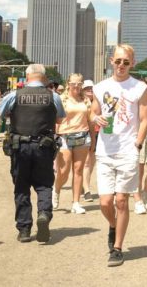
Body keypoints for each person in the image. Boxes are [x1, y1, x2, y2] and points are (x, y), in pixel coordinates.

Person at [91, 44, 147, 267]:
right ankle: (113, 225)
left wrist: (137, 143)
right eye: (118, 61)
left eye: (126, 62)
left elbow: (144, 118)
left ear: (132, 63)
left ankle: (117, 247)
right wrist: (95, 119)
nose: (121, 65)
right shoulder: (100, 87)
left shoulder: (140, 87)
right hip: (105, 150)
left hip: (127, 150)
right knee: (105, 202)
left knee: (122, 200)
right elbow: (93, 112)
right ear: (111, 61)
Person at [0, 63, 66, 243]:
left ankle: (24, 229)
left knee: (21, 186)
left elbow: (2, 113)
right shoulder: (54, 96)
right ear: (43, 78)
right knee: (44, 184)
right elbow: (59, 118)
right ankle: (43, 214)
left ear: (26, 77)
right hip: (44, 146)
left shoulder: (14, 95)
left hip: (19, 146)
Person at [54, 73, 92, 214]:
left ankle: (76, 202)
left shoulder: (86, 100)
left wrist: (93, 141)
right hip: (65, 136)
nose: (76, 86)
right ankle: (56, 190)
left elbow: (90, 119)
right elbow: (54, 119)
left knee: (78, 170)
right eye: (73, 83)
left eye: (79, 83)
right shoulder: (61, 99)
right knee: (63, 171)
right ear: (68, 83)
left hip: (83, 136)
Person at [82, 80, 97, 201]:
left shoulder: (99, 102)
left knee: (92, 162)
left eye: (91, 88)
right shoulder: (80, 102)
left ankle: (84, 183)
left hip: (98, 134)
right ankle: (87, 190)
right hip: (85, 133)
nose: (90, 90)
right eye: (87, 88)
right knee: (86, 162)